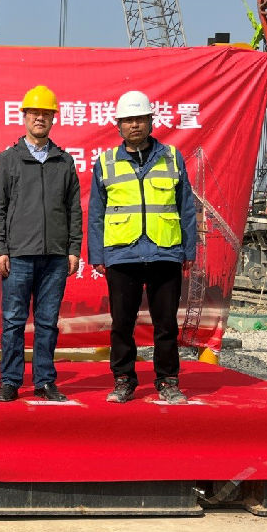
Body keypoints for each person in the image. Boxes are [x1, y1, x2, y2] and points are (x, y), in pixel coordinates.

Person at [87, 90, 197, 404]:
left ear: (151, 121)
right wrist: (98, 254)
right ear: (118, 126)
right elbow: (96, 212)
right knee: (122, 324)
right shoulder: (106, 162)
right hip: (122, 254)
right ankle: (123, 379)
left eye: (140, 119)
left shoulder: (172, 157)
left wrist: (188, 250)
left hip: (165, 251)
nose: (134, 125)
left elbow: (186, 207)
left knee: (166, 324)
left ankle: (168, 381)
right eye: (128, 120)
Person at [0, 85, 83, 403]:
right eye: (34, 113)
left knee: (47, 322)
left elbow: (74, 208)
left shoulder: (64, 161)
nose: (39, 118)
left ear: (53, 118)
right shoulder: (8, 160)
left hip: (55, 256)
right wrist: (0, 249)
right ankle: (10, 380)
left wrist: (73, 249)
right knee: (13, 321)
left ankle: (44, 380)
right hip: (18, 256)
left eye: (45, 113)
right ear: (25, 116)